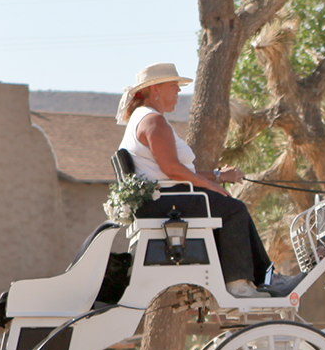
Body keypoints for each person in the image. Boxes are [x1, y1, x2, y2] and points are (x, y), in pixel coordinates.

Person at [116, 62, 302, 298]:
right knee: (233, 209)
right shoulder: (153, 122)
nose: (178, 91)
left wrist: (218, 176)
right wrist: (210, 185)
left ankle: (264, 278)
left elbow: (172, 170)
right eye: (174, 85)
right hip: (167, 201)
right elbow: (172, 169)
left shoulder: (143, 118)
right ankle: (240, 284)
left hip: (164, 197)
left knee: (227, 204)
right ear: (156, 90)